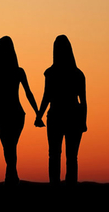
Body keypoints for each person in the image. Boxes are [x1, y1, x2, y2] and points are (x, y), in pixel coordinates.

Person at [0, 36, 38, 185]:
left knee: (9, 145)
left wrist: (38, 113)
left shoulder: (8, 71)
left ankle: (11, 175)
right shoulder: (12, 71)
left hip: (8, 112)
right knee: (10, 145)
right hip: (11, 112)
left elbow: (28, 93)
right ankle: (12, 174)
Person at [35, 35, 87, 186]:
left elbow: (46, 96)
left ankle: (55, 187)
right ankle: (69, 188)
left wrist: (39, 116)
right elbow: (83, 102)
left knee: (54, 155)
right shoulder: (78, 74)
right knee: (71, 157)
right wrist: (83, 121)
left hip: (57, 117)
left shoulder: (51, 73)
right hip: (72, 117)